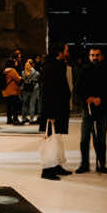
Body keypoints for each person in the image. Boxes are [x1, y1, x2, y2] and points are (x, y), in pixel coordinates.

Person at [74, 47, 107, 174]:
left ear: (101, 56)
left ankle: (101, 164)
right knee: (84, 138)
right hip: (88, 110)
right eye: (92, 55)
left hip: (103, 110)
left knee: (101, 139)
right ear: (89, 56)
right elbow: (77, 89)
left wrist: (101, 98)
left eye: (97, 55)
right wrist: (87, 98)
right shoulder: (84, 70)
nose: (95, 58)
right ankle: (84, 164)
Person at [39, 43, 73, 180]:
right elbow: (48, 92)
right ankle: (47, 170)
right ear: (59, 52)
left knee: (57, 139)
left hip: (60, 108)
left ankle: (57, 165)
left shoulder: (59, 65)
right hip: (52, 110)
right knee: (50, 140)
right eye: (66, 50)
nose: (68, 52)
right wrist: (50, 113)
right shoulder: (50, 67)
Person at [20, 58, 41, 125]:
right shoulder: (36, 73)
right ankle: (31, 119)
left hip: (25, 89)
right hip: (33, 89)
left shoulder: (23, 72)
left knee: (24, 104)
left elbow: (22, 80)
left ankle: (23, 118)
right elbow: (38, 80)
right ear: (32, 65)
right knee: (32, 104)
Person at [2, 60, 23, 125]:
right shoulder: (12, 70)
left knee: (9, 106)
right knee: (15, 106)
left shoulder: (4, 71)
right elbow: (18, 79)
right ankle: (15, 119)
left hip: (6, 91)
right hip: (13, 91)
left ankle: (9, 119)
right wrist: (20, 78)